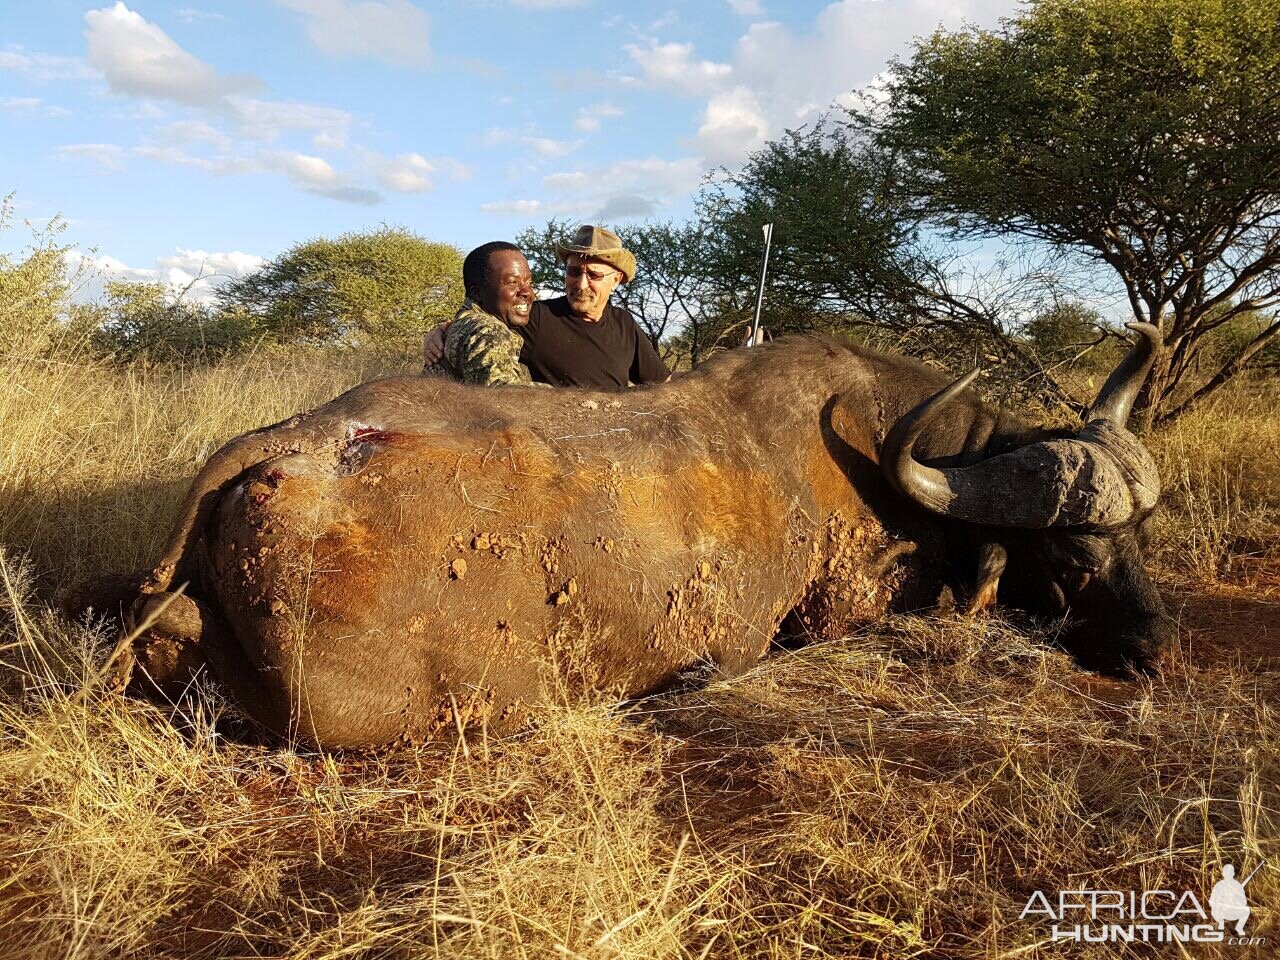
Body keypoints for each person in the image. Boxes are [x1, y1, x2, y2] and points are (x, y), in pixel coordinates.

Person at [423, 225, 670, 389]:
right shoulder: (538, 317)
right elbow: (484, 326)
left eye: (594, 275)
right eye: (573, 272)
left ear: (615, 280)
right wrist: (442, 332)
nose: (581, 284)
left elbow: (663, 384)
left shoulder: (624, 324)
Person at [431, 241, 548, 387]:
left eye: (529, 283)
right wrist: (571, 400)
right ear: (477, 292)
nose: (527, 292)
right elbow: (503, 397)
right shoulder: (489, 331)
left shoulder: (465, 324)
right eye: (512, 282)